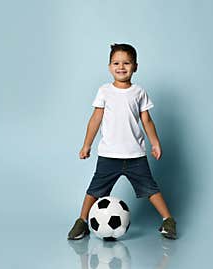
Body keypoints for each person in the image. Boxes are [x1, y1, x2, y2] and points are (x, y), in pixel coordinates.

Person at [67, 43, 177, 240]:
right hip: (109, 155)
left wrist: (155, 143)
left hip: (135, 156)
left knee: (150, 189)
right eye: (116, 63)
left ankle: (168, 220)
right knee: (94, 190)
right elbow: (95, 120)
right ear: (109, 67)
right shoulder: (104, 91)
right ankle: (82, 221)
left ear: (135, 66)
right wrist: (87, 145)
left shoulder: (139, 92)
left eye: (127, 63)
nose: (121, 67)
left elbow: (147, 120)